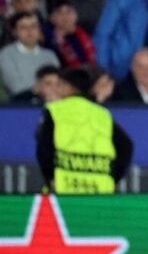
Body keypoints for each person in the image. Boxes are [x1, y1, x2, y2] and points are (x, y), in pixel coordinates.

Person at [35, 66, 133, 194]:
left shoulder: (55, 110)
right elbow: (126, 146)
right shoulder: (102, 114)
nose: (56, 89)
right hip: (99, 190)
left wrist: (51, 176)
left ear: (68, 87)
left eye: (59, 84)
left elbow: (44, 148)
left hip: (64, 188)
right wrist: (112, 176)